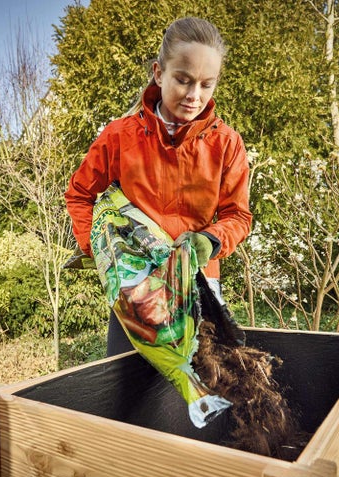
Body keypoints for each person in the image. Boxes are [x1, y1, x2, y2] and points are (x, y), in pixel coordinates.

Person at [65, 16, 252, 356]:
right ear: (158, 72)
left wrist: (210, 240)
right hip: (133, 292)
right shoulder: (119, 137)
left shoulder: (227, 144)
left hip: (198, 289)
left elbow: (238, 216)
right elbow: (80, 193)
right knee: (126, 396)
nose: (194, 95)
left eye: (206, 84)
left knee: (201, 392)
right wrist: (99, 248)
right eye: (183, 80)